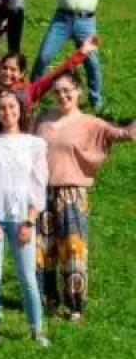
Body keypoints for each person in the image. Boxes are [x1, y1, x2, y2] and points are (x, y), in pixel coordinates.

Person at [34, 72, 136, 320]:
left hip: (71, 192)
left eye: (67, 90)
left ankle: (74, 305)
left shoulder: (89, 122)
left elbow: (123, 135)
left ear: (78, 91)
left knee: (73, 250)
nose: (62, 95)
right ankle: (46, 299)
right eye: (57, 91)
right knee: (42, 251)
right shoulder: (42, 119)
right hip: (41, 191)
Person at [0, 92, 49, 347]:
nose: (7, 112)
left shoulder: (34, 144)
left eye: (11, 107)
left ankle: (36, 329)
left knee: (27, 276)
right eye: (1, 108)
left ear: (20, 109)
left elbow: (39, 185)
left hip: (21, 217)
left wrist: (30, 221)